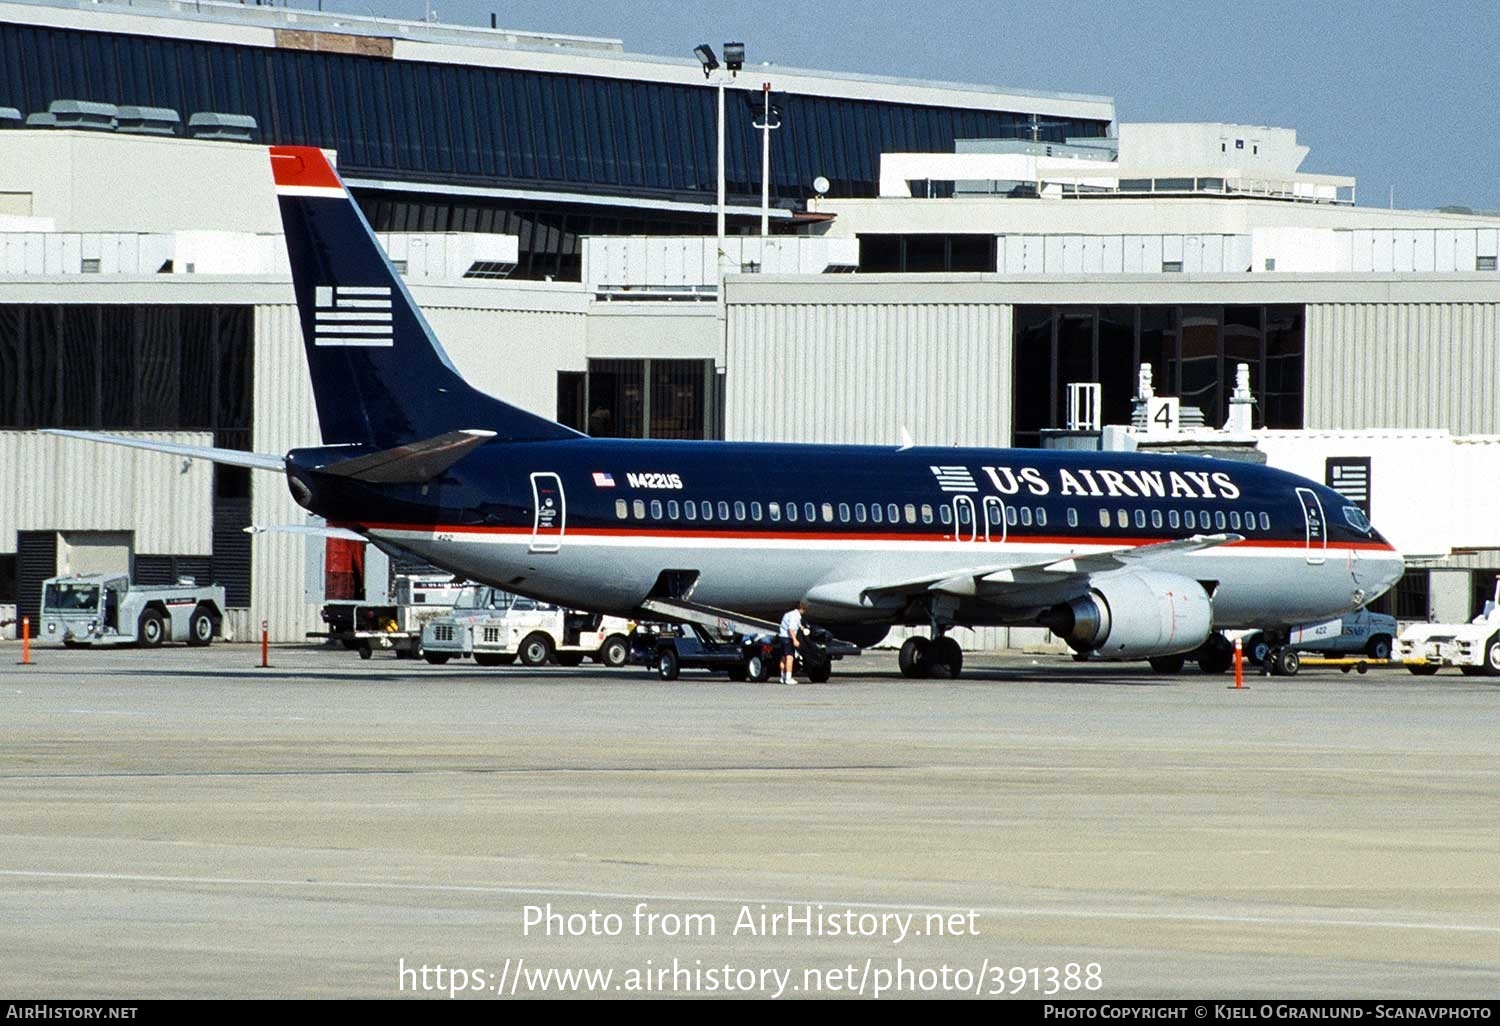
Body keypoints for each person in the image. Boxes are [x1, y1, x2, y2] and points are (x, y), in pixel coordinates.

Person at [778, 600, 807, 685]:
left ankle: (782, 677)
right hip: (788, 638)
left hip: (782, 637)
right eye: (804, 610)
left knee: (783, 658)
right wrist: (795, 640)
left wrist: (801, 627)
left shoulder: (788, 614)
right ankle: (788, 678)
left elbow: (793, 624)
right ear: (801, 609)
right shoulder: (796, 616)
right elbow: (791, 629)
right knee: (790, 658)